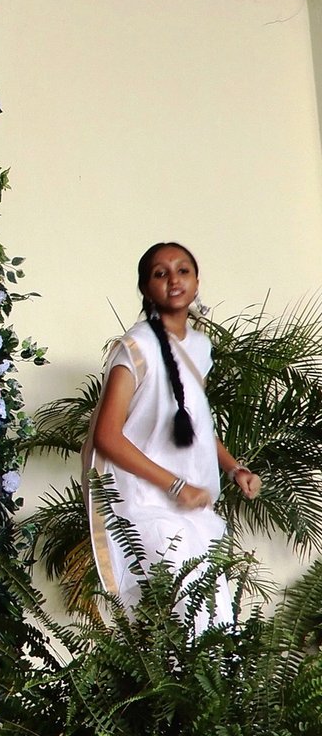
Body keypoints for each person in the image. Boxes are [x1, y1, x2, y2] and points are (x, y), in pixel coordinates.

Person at [86, 242, 260, 622]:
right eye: (160, 273)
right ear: (146, 288)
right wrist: (175, 485)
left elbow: (196, 425)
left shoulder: (199, 347)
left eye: (183, 270)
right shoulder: (135, 348)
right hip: (146, 502)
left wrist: (234, 469)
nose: (174, 280)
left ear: (197, 282)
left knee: (214, 613)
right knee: (190, 615)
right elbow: (107, 437)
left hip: (193, 504)